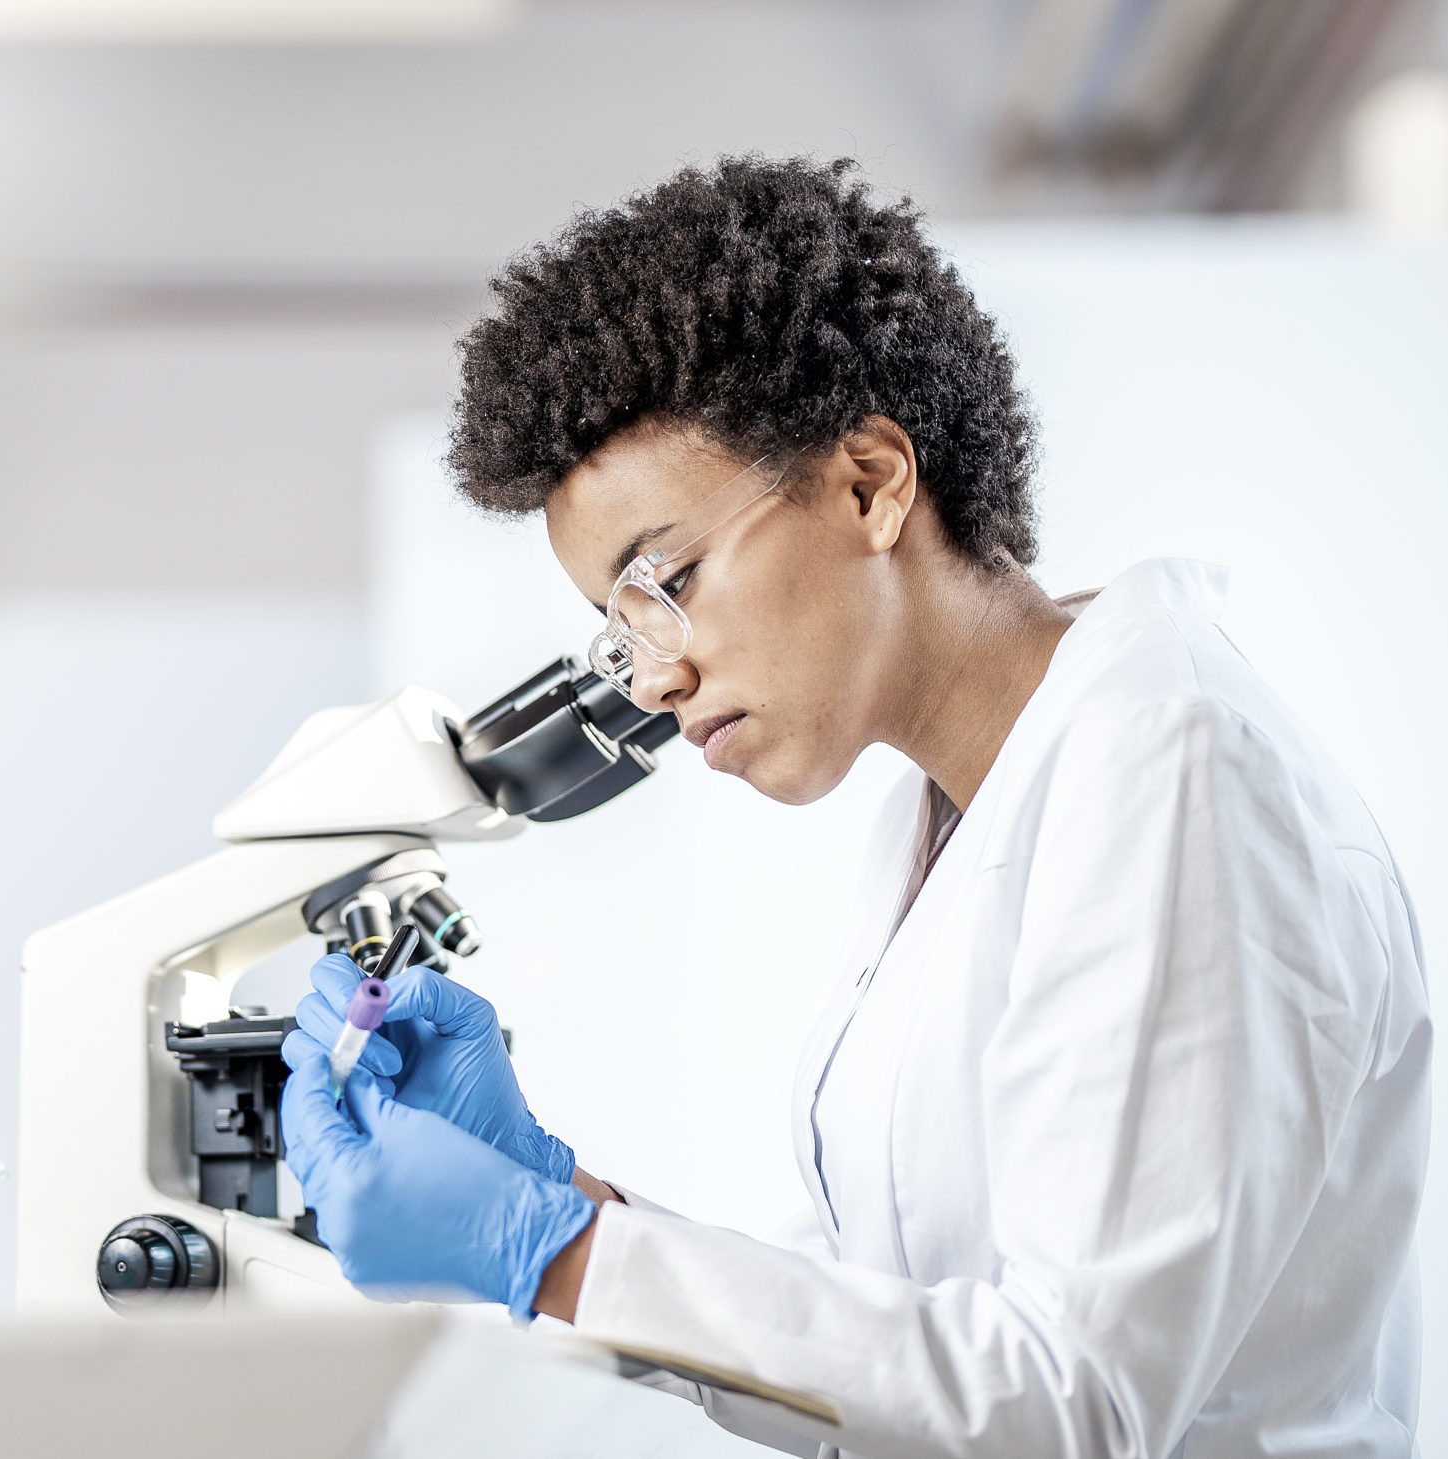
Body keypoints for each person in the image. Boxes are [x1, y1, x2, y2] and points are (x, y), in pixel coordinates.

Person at [279, 156, 1430, 1458]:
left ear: (871, 480)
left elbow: (1071, 1401)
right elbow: (893, 1331)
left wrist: (564, 1255)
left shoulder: (1171, 766)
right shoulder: (954, 813)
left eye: (664, 580)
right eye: (615, 625)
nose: (652, 675)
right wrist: (565, 1201)